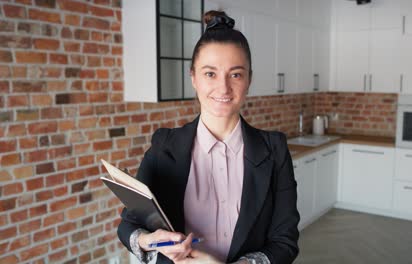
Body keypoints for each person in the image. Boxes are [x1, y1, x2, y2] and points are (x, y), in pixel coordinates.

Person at [117, 10, 299, 264]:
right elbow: (128, 225)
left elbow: (285, 242)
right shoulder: (164, 145)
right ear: (193, 77)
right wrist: (151, 241)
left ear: (249, 79)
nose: (223, 88)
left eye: (235, 74)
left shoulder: (275, 149)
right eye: (210, 74)